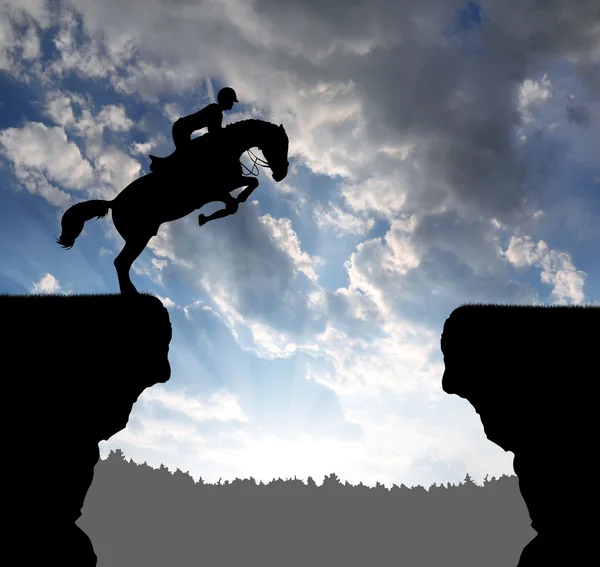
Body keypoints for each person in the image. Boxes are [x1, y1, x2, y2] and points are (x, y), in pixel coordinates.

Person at [171, 86, 239, 151]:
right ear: (226, 100)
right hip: (180, 129)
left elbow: (215, 132)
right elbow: (214, 132)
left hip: (182, 129)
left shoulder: (217, 110)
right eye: (231, 101)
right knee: (188, 155)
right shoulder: (215, 110)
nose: (232, 103)